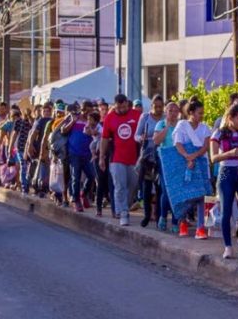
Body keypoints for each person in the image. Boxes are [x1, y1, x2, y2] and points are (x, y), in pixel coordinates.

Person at [212, 104, 238, 258]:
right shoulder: (218, 134)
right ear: (230, 118)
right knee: (226, 211)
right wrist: (229, 153)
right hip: (225, 173)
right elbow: (213, 158)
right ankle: (228, 246)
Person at [173, 100, 213, 239]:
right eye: (199, 113)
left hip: (201, 163)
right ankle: (182, 221)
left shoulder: (205, 128)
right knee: (187, 195)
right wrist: (187, 157)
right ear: (191, 112)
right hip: (185, 163)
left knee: (203, 195)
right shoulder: (182, 126)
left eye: (202, 113)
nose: (201, 116)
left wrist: (193, 156)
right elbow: (178, 144)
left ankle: (201, 228)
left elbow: (205, 147)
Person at [100, 94, 141, 226]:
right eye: (119, 107)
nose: (122, 110)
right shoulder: (109, 118)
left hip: (134, 158)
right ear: (115, 105)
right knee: (120, 186)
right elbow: (104, 139)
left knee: (133, 185)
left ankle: (125, 206)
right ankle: (123, 212)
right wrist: (101, 157)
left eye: (124, 107)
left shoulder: (136, 115)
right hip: (116, 158)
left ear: (128, 104)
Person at [153, 100, 183, 230]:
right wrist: (167, 127)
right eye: (170, 110)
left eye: (175, 111)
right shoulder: (161, 124)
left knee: (177, 190)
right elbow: (156, 141)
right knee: (166, 190)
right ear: (166, 112)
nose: (173, 113)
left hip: (178, 159)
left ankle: (176, 221)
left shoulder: (182, 125)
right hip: (164, 160)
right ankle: (163, 217)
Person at [135, 95, 164, 227]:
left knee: (159, 188)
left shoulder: (165, 119)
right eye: (155, 106)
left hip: (161, 156)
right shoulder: (145, 117)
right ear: (151, 106)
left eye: (160, 106)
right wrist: (142, 138)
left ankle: (158, 216)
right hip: (147, 156)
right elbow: (136, 135)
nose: (158, 109)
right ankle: (147, 215)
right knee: (146, 187)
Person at [61, 103, 95, 212]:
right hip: (74, 153)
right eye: (86, 111)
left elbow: (97, 133)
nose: (88, 114)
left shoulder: (92, 120)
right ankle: (76, 201)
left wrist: (92, 131)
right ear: (82, 109)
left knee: (92, 175)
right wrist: (73, 121)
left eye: (90, 111)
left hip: (88, 153)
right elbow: (63, 130)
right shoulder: (73, 117)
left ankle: (83, 194)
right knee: (75, 176)